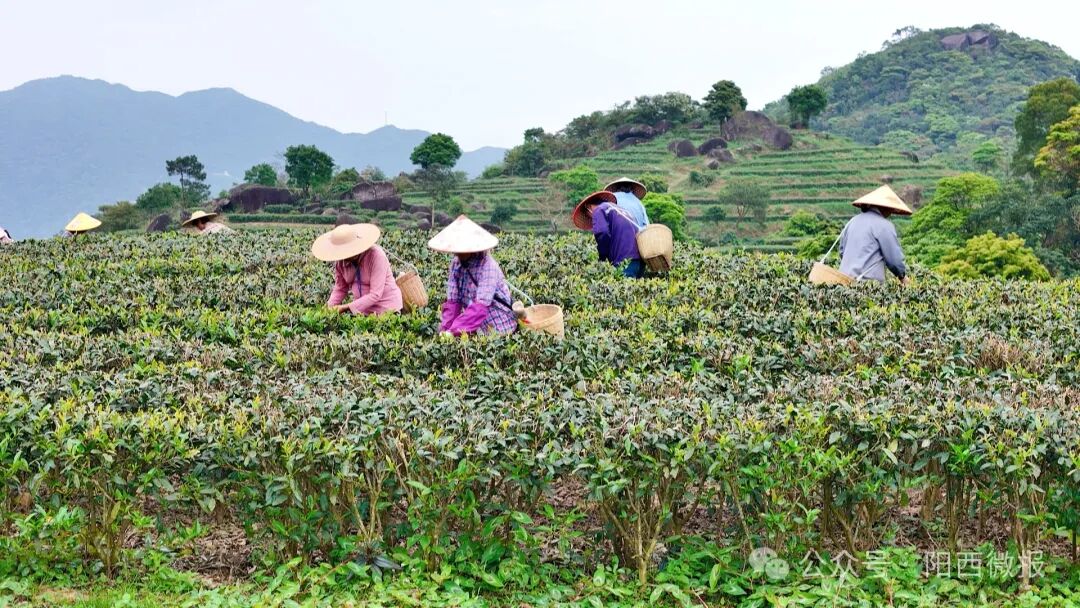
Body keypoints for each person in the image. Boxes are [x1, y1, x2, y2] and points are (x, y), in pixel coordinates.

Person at [428, 215, 518, 336]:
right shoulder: (456, 264)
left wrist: (454, 331)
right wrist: (445, 329)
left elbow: (480, 307)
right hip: (477, 327)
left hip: (499, 326)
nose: (458, 252)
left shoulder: (488, 266)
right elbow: (453, 301)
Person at [311, 223, 403, 316]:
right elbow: (340, 289)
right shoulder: (341, 262)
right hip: (362, 311)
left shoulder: (376, 256)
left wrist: (346, 307)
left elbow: (375, 294)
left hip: (387, 309)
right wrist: (328, 307)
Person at [838, 185, 911, 284]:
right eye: (891, 209)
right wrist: (902, 276)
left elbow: (842, 251)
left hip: (842, 280)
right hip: (866, 284)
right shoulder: (884, 225)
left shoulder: (852, 221)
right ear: (885, 207)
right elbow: (893, 259)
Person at [572, 191, 645, 278]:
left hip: (624, 260)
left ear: (588, 207)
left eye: (588, 215)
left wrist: (602, 257)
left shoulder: (599, 210)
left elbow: (602, 232)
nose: (591, 218)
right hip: (639, 261)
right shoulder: (620, 210)